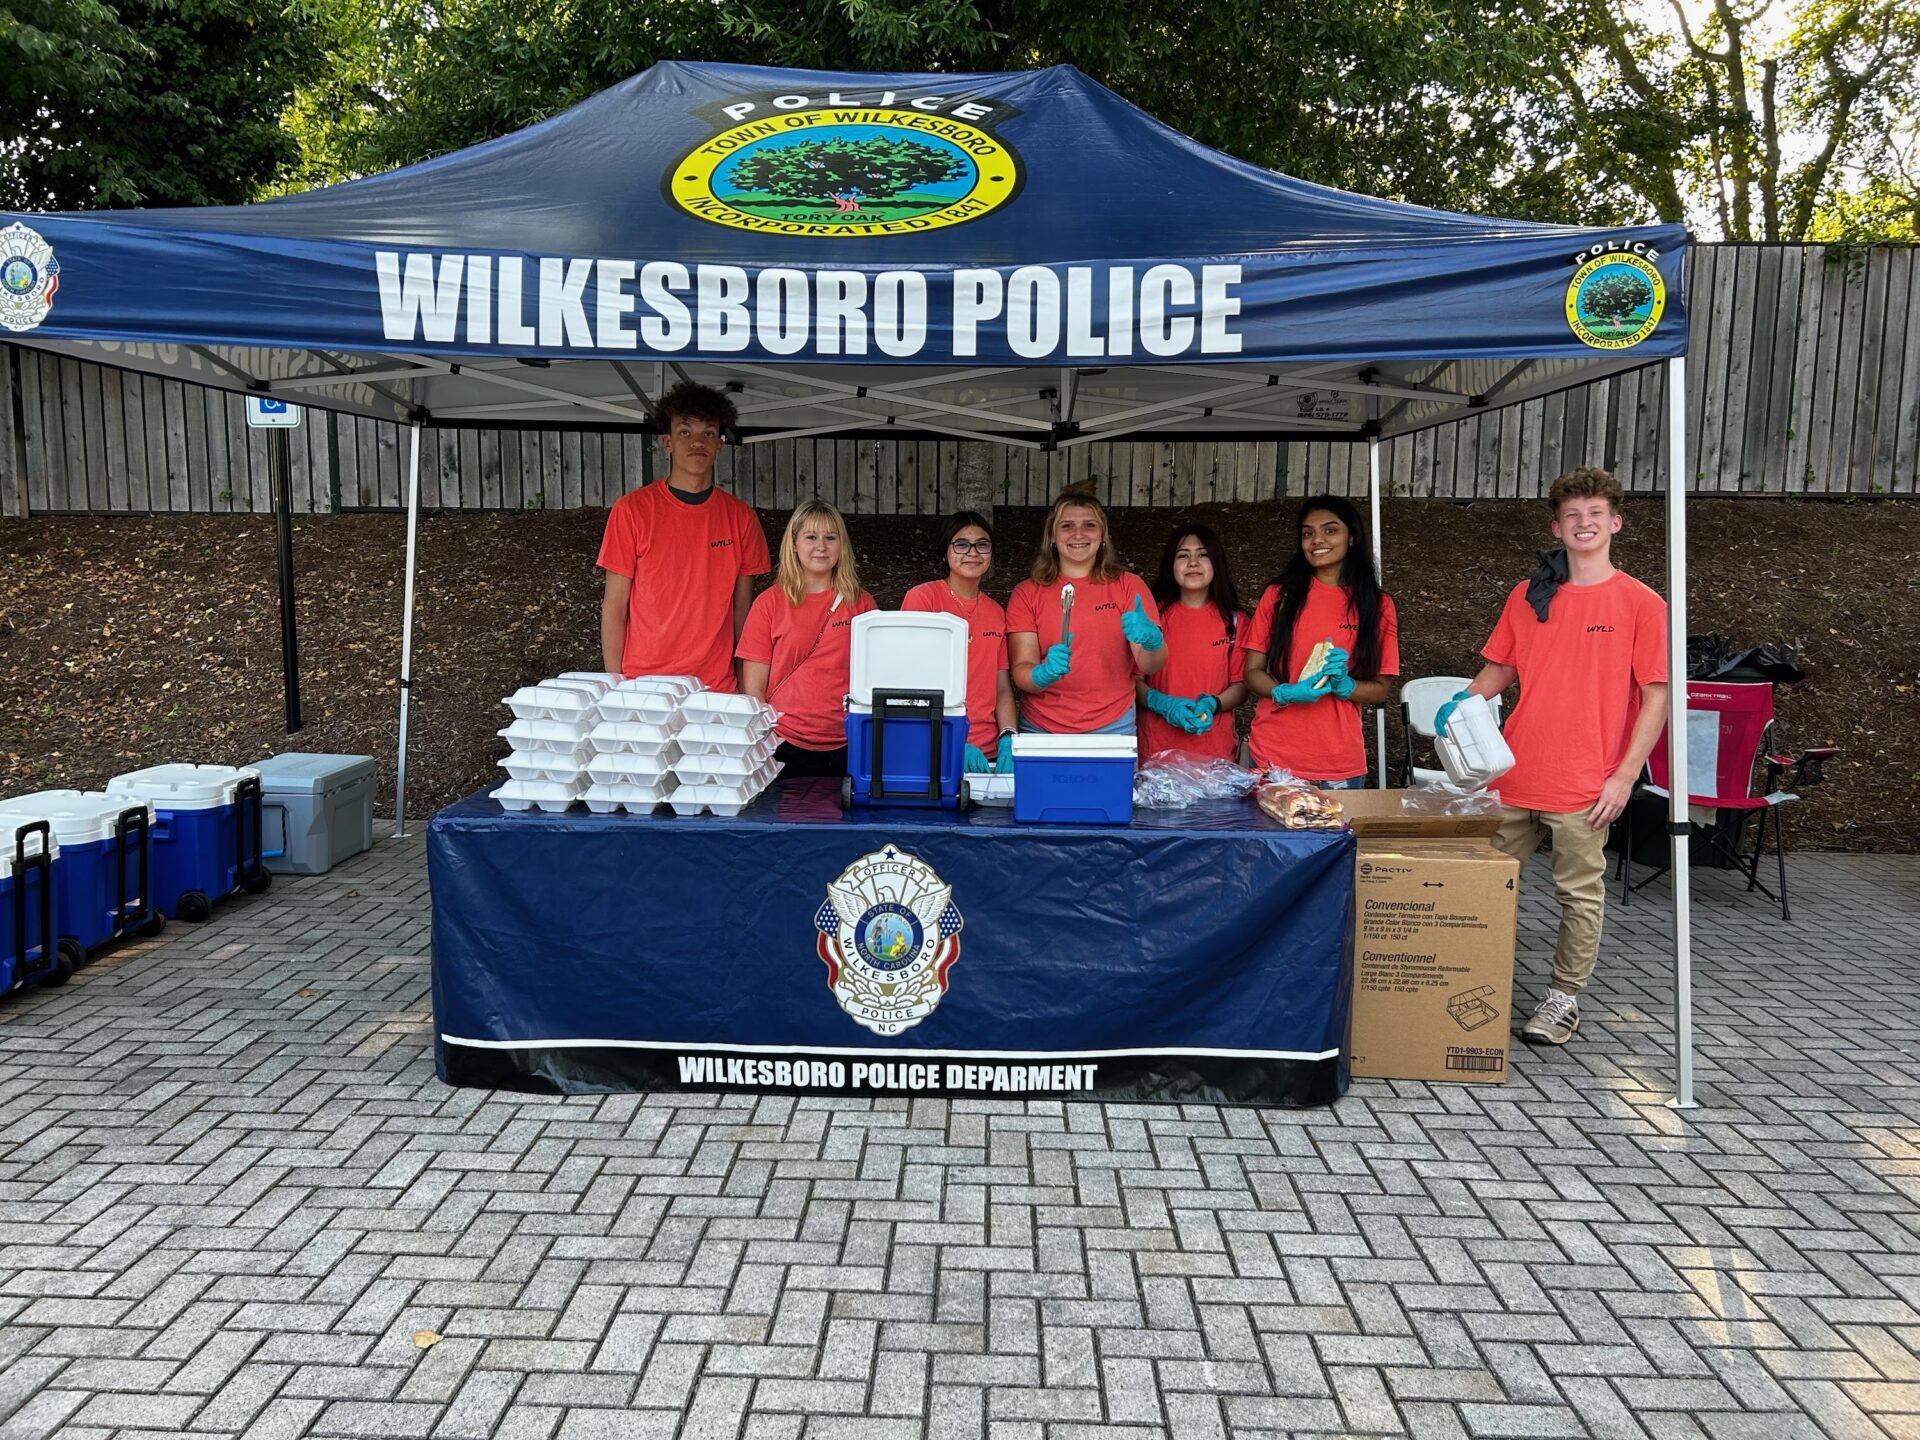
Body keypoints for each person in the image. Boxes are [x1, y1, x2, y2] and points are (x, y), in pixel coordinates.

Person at [1437, 466, 1669, 1047]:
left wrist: (1624, 778)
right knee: (1480, 886)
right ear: (1556, 528)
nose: (1584, 523)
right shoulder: (1528, 595)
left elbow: (1657, 697)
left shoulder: (1642, 604)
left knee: (1579, 896)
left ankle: (1563, 999)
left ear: (1615, 523)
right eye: (1572, 516)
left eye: (1595, 514)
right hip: (1514, 775)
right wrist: (1459, 705)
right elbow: (1498, 671)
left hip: (1586, 783)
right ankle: (1467, 980)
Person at [597, 382, 768, 689]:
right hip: (644, 684)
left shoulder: (741, 518)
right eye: (685, 432)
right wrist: (615, 684)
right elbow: (615, 606)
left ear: (720, 444)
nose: (697, 442)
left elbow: (742, 611)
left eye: (709, 433)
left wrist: (746, 686)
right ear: (668, 442)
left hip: (715, 686)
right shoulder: (632, 510)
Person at [1240, 495, 1399, 788]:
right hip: (1272, 757)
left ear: (1352, 537)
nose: (1317, 540)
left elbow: (1380, 690)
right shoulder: (1279, 596)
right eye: (1307, 533)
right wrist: (1283, 692)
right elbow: (1251, 673)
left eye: (1330, 530)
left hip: (1338, 762)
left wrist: (1346, 686)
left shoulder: (1377, 605)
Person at [1008, 489, 1166, 735]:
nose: (1079, 534)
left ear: (1102, 535)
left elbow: (1149, 665)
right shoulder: (1027, 593)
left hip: (1113, 724)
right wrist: (1043, 673)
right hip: (1042, 727)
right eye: (1067, 526)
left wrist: (1153, 643)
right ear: (1052, 536)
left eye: (1089, 525)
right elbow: (1022, 671)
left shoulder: (1128, 586)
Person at [737, 500, 877, 777]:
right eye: (811, 537)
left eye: (830, 537)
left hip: (849, 742)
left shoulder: (861, 604)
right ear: (794, 544)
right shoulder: (769, 604)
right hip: (784, 743)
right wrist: (766, 740)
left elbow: (877, 678)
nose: (821, 546)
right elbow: (753, 689)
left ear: (842, 545)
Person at [901, 512, 1020, 774]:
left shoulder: (996, 612)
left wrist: (1009, 736)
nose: (972, 552)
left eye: (982, 544)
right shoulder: (924, 599)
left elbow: (1001, 686)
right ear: (945, 552)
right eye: (961, 544)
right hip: (934, 745)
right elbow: (909, 681)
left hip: (987, 752)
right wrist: (949, 740)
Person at [1136, 524, 1249, 761]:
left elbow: (1241, 685)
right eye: (1183, 555)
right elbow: (1133, 681)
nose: (1193, 562)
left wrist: (1214, 704)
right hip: (1156, 753)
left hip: (1215, 754)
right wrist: (1161, 703)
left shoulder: (1236, 621)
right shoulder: (1151, 617)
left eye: (1203, 554)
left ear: (1217, 563)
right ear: (1170, 565)